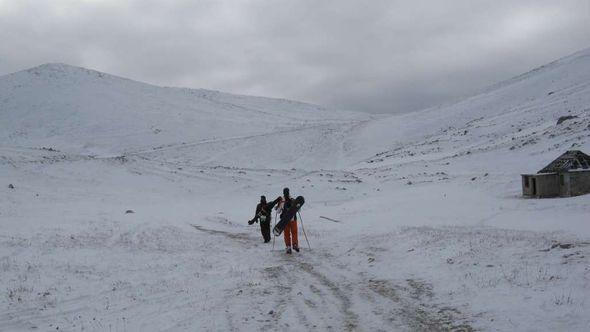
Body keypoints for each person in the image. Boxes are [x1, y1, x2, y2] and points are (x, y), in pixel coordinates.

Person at [276, 187, 299, 254]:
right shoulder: (293, 200)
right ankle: (295, 244)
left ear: (283, 192)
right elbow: (298, 209)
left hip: (285, 220)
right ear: (289, 192)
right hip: (293, 219)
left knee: (286, 234)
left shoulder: (282, 201)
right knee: (294, 233)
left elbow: (278, 211)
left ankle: (288, 247)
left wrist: (277, 206)